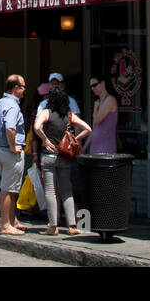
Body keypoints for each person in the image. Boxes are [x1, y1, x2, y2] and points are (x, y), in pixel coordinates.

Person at [34, 88, 92, 235]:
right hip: (65, 157)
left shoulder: (46, 112)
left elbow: (36, 127)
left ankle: (53, 226)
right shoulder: (69, 115)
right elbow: (88, 129)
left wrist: (45, 139)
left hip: (49, 155)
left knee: (50, 191)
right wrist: (75, 140)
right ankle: (72, 225)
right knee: (66, 190)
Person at [0, 74, 28, 235]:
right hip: (9, 151)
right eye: (23, 87)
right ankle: (5, 225)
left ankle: (13, 220)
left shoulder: (0, 103)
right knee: (7, 189)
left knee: (11, 188)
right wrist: (13, 146)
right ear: (15, 88)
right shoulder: (12, 106)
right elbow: (10, 128)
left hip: (0, 150)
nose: (24, 90)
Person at [88, 77, 118, 154]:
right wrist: (84, 147)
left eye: (94, 85)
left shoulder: (110, 100)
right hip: (95, 148)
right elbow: (94, 129)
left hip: (106, 148)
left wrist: (95, 108)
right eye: (91, 86)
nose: (92, 88)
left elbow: (97, 120)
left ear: (103, 83)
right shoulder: (99, 102)